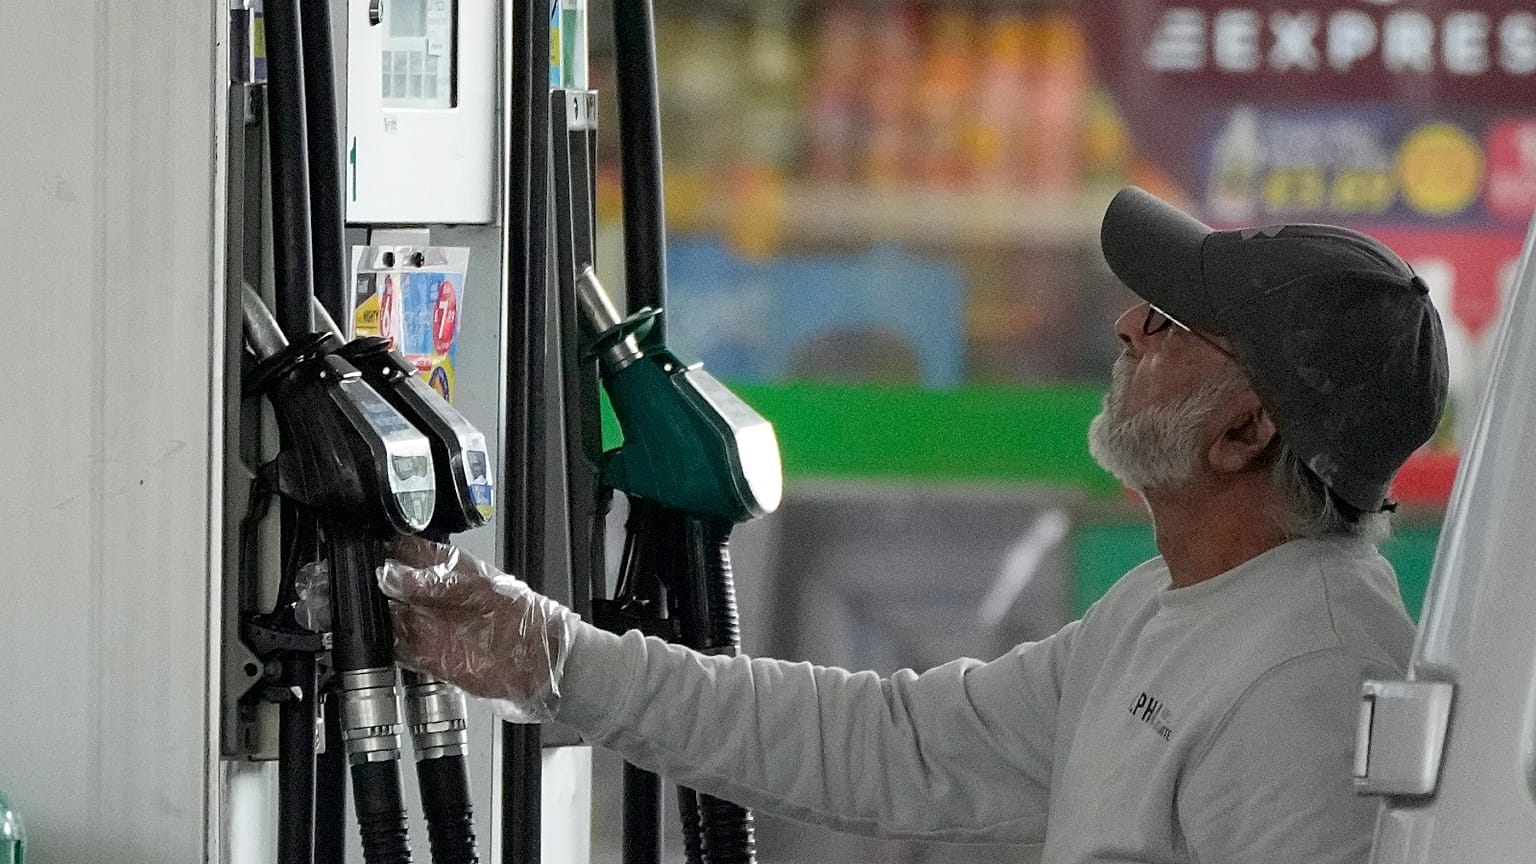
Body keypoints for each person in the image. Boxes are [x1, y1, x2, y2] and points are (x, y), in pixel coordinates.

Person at [378, 187, 1448, 863]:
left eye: (1168, 325)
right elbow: (896, 745)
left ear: (1245, 431)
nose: (1127, 324)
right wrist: (551, 659)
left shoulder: (1311, 683)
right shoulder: (1173, 606)